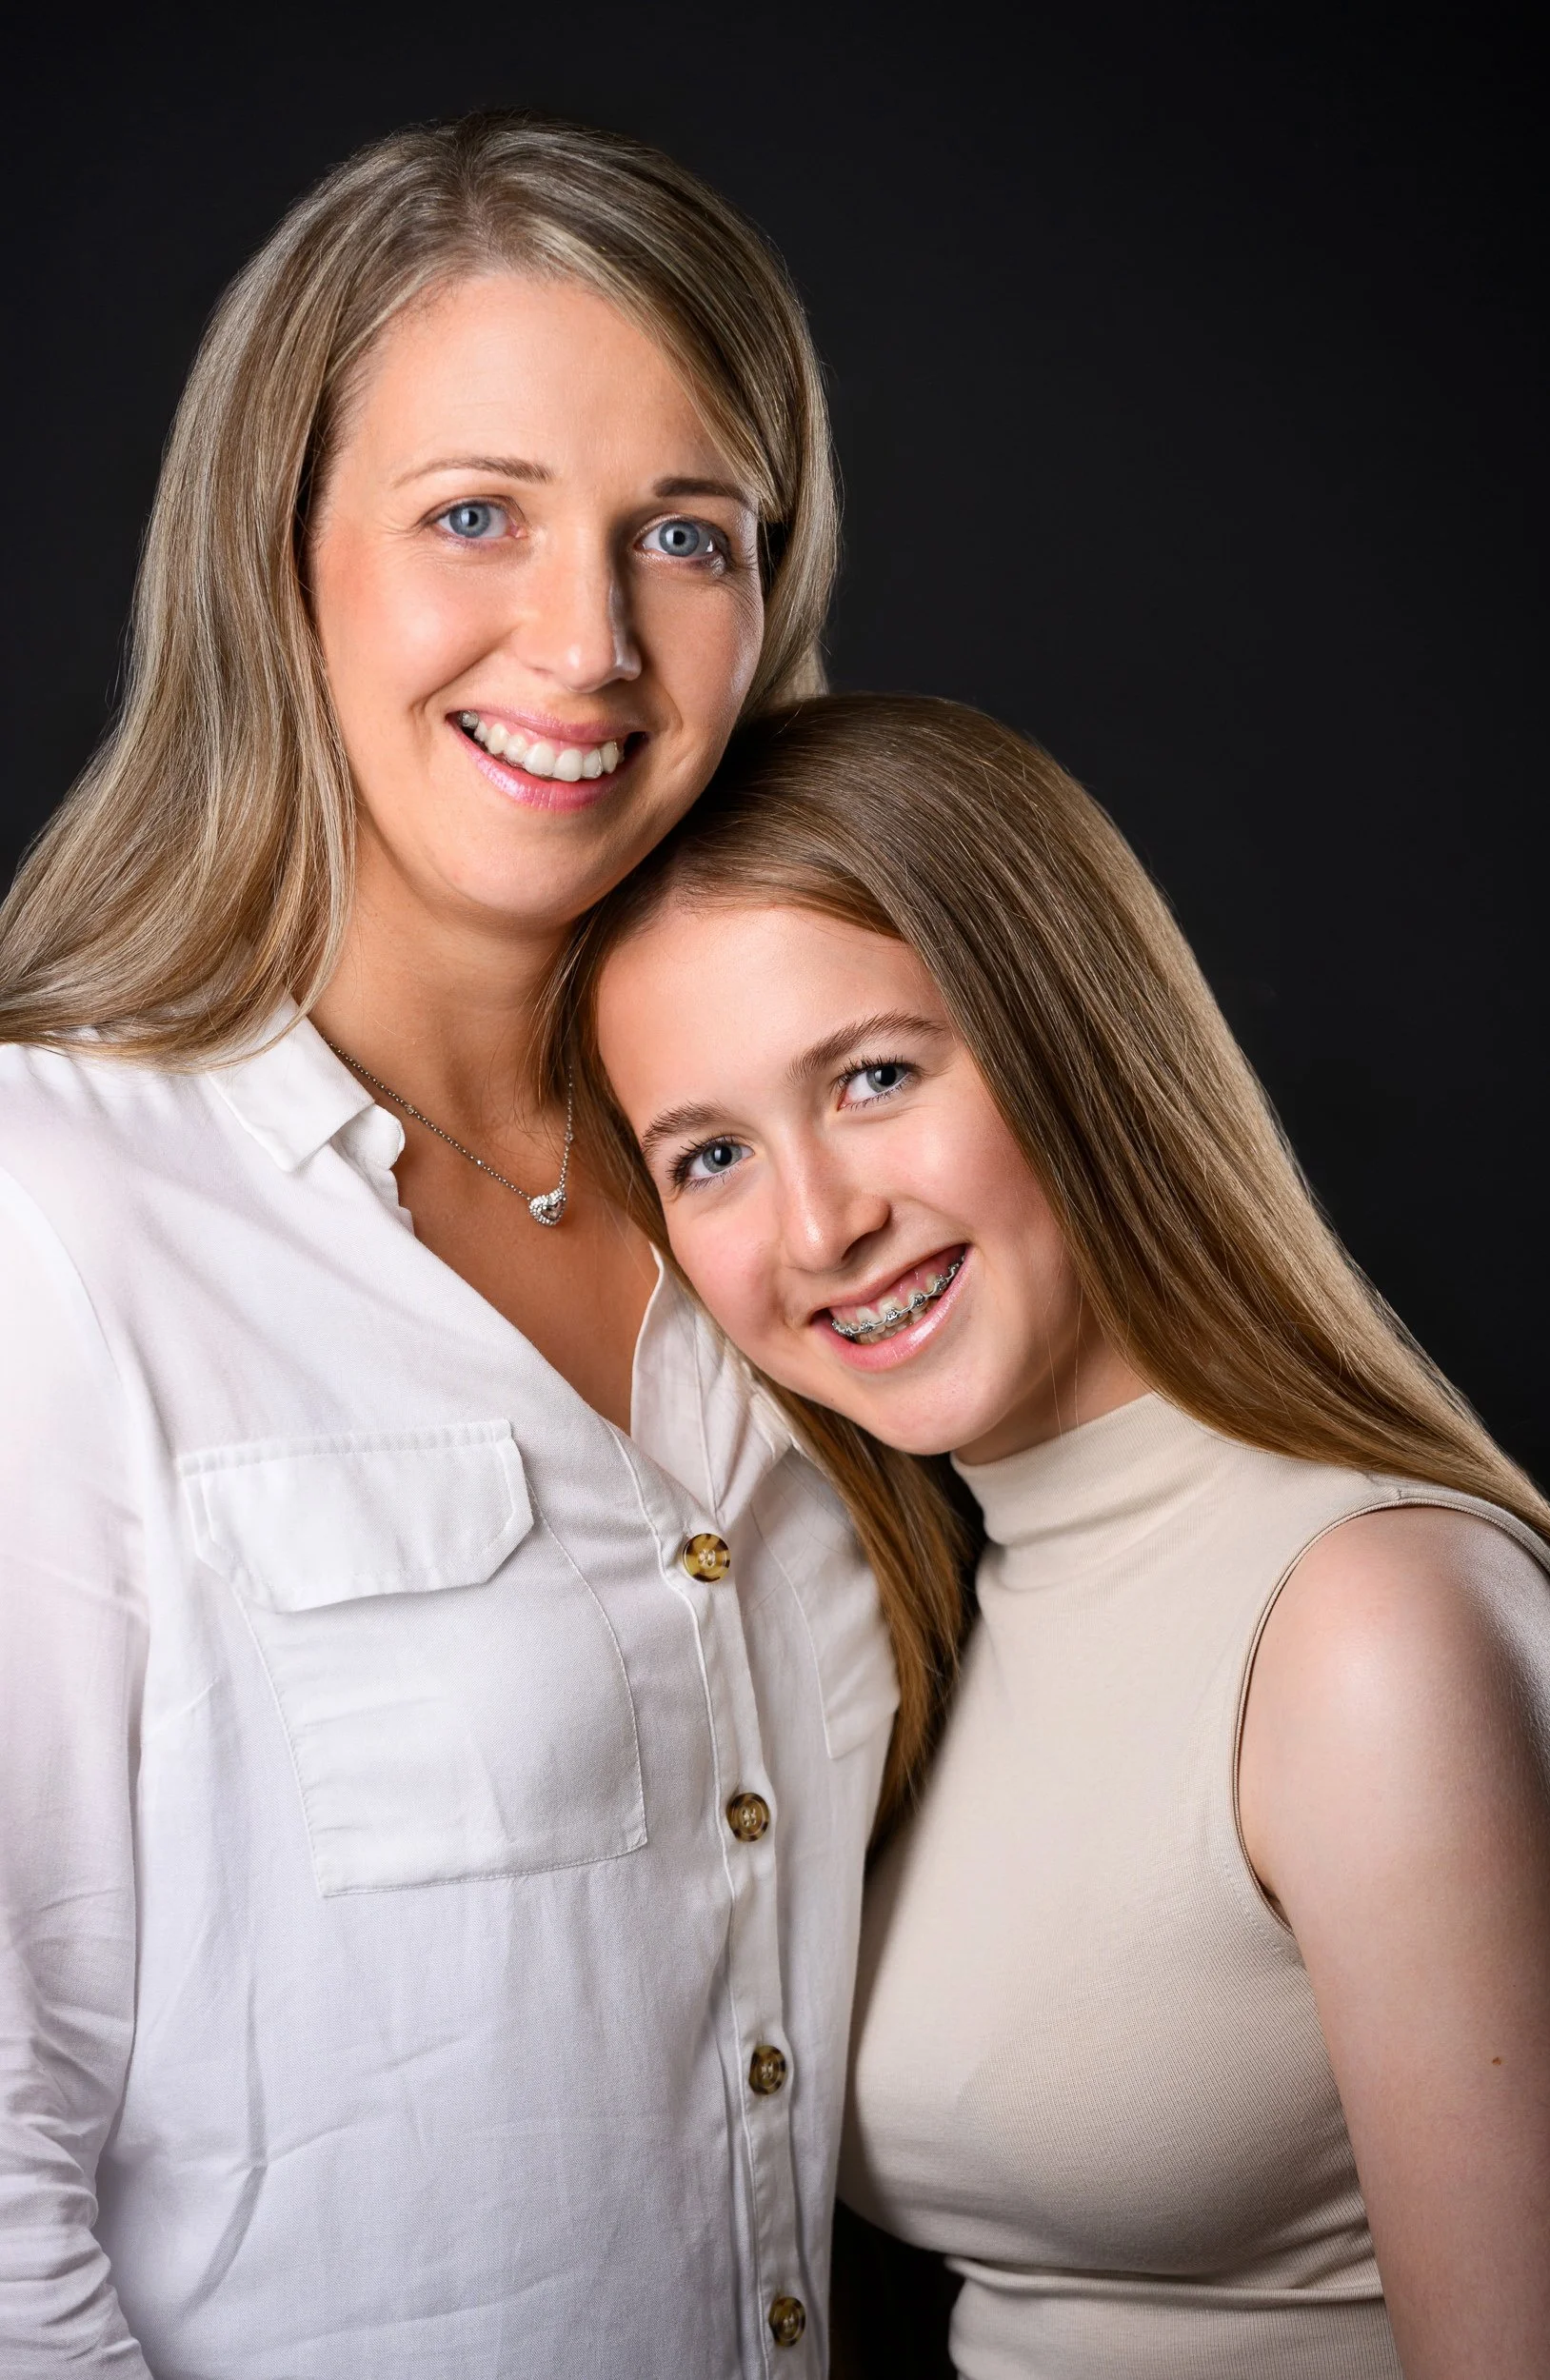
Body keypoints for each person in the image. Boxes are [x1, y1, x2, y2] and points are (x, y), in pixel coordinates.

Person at [0, 117, 933, 2378]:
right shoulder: (55, 1211)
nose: (589, 645)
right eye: (474, 515)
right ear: (278, 555)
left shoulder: (819, 1210)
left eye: (682, 535)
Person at [581, 691, 1550, 2380]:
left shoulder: (1375, 1623)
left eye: (875, 1077)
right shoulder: (909, 1617)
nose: (819, 1227)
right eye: (711, 1156)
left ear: (1071, 1035)